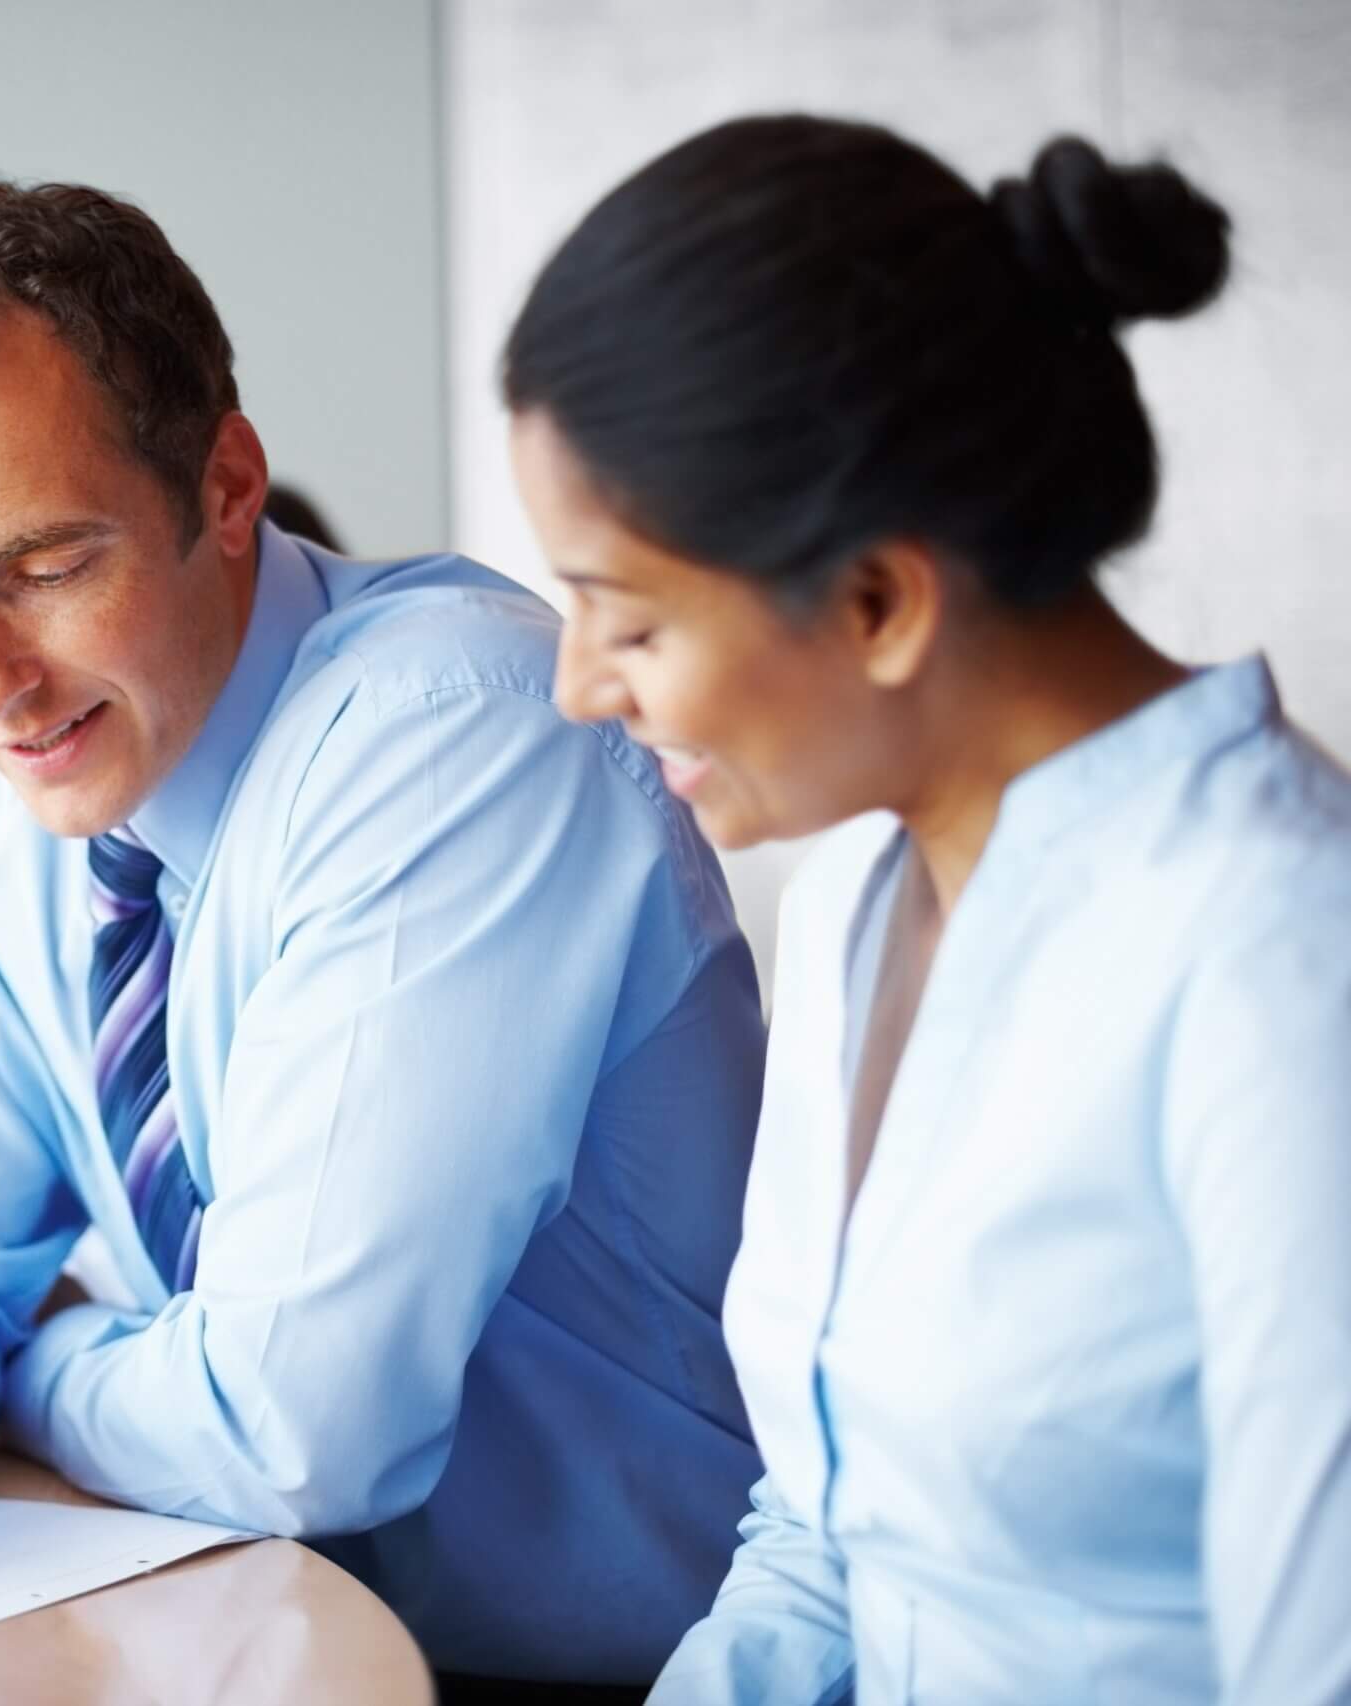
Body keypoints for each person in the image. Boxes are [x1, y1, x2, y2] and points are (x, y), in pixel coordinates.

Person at [0, 179, 770, 1688]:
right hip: (246, 1632)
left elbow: (298, 1429)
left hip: (609, 1671)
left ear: (227, 485)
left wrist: (23, 1360)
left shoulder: (452, 733)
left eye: (43, 569)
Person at [501, 116, 1351, 1705]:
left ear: (881, 600)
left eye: (624, 618)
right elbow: (833, 1537)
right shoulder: (850, 909)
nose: (573, 687)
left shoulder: (1282, 964)